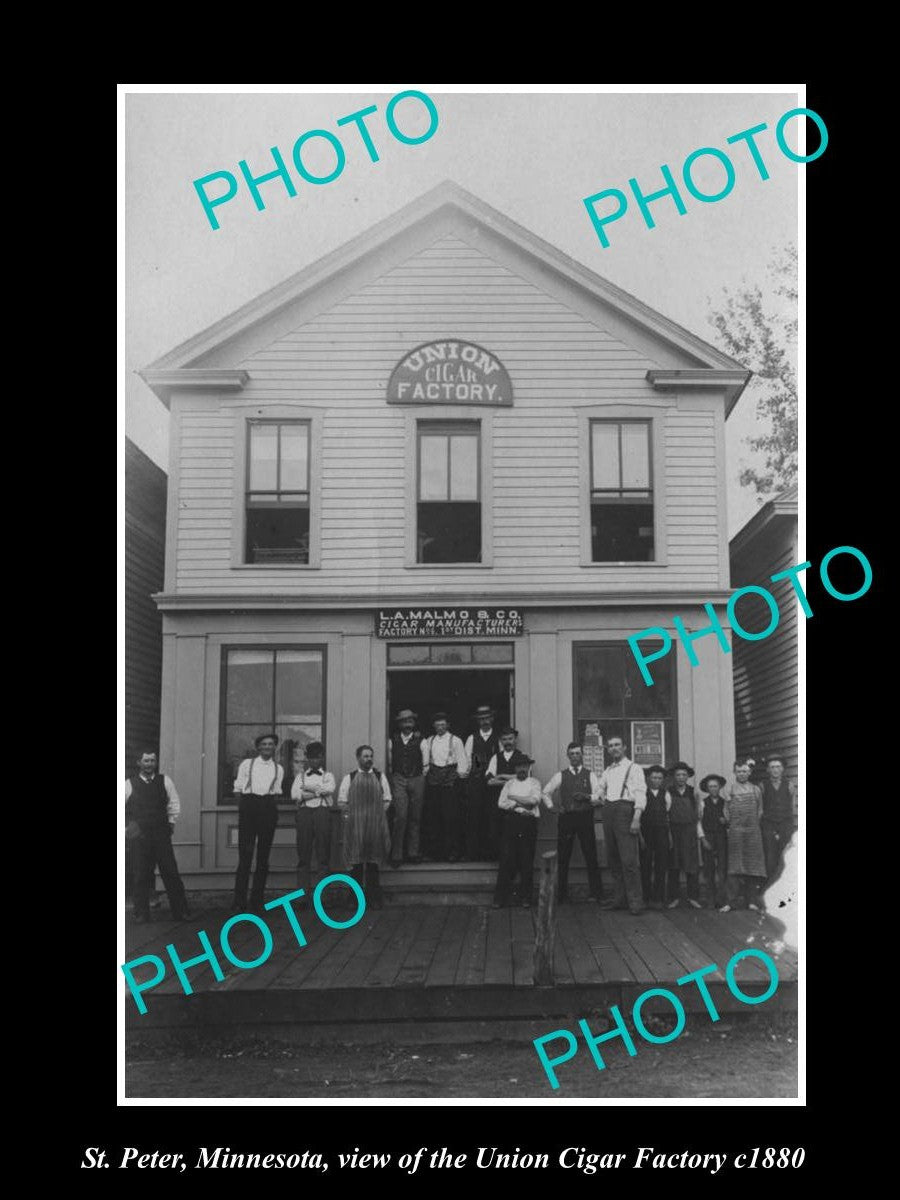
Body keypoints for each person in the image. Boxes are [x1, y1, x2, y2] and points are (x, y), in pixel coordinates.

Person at [124, 749, 190, 923]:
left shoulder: (165, 781)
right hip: (140, 836)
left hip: (161, 833)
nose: (149, 764)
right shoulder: (129, 784)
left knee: (170, 872)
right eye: (146, 761)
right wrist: (126, 829)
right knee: (141, 874)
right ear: (139, 763)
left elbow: (174, 803)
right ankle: (141, 913)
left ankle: (180, 911)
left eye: (152, 761)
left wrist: (170, 823)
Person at [541, 742, 603, 904]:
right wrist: (552, 808)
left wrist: (588, 797)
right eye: (572, 754)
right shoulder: (560, 775)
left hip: (585, 817)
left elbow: (600, 795)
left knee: (591, 855)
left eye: (577, 753)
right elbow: (545, 793)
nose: (575, 756)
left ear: (582, 755)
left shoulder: (590, 775)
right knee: (563, 856)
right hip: (567, 818)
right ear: (568, 756)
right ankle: (562, 895)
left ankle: (597, 893)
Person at [233, 733, 285, 911]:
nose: (267, 747)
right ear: (258, 747)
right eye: (264, 744)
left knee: (263, 857)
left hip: (268, 808)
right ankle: (239, 901)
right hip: (249, 807)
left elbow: (276, 794)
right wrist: (246, 809)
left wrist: (268, 809)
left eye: (271, 744)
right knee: (245, 856)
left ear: (275, 747)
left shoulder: (279, 768)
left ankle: (257, 900)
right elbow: (238, 789)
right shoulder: (247, 764)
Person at [337, 745, 393, 907]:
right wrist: (350, 817)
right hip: (356, 826)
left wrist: (378, 815)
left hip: (375, 825)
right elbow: (342, 801)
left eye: (370, 756)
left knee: (373, 861)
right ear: (358, 758)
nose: (369, 759)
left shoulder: (380, 776)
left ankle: (373, 897)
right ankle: (354, 899)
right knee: (356, 861)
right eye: (365, 756)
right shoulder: (350, 778)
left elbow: (387, 799)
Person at [598, 736, 646, 915]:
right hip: (609, 810)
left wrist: (636, 817)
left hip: (626, 811)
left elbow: (641, 793)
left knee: (629, 860)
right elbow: (599, 789)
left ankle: (636, 903)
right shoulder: (608, 770)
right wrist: (598, 795)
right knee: (613, 859)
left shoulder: (634, 768)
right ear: (608, 750)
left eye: (617, 745)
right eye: (610, 746)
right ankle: (619, 899)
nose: (614, 748)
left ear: (624, 747)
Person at [492, 756, 546, 908]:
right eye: (519, 766)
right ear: (515, 769)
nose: (522, 769)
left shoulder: (534, 783)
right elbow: (501, 803)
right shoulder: (509, 783)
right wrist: (519, 805)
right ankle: (500, 898)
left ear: (529, 767)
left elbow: (534, 801)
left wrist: (514, 798)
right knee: (506, 859)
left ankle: (526, 898)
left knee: (526, 860)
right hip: (512, 822)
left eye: (525, 766)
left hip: (528, 823)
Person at [291, 741, 336, 907]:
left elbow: (329, 789)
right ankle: (302, 896)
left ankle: (322, 896)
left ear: (322, 758)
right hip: (304, 814)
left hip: (323, 813)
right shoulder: (299, 776)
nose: (314, 761)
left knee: (323, 854)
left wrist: (308, 790)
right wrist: (317, 791)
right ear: (307, 759)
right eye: (311, 758)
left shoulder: (328, 776)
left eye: (318, 757)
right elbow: (295, 795)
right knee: (303, 855)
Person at [720, 758, 766, 913]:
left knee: (752, 866)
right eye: (739, 771)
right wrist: (731, 825)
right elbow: (726, 811)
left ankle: (751, 901)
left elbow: (760, 810)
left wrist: (752, 826)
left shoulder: (756, 789)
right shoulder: (729, 789)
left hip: (752, 832)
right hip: (736, 832)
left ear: (750, 772)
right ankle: (731, 902)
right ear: (734, 772)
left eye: (745, 771)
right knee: (734, 866)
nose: (742, 774)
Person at [421, 713, 469, 862]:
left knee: (451, 817)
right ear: (434, 726)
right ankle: (435, 853)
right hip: (434, 780)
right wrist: (427, 772)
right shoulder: (429, 740)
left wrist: (458, 777)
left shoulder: (456, 741)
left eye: (443, 725)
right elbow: (426, 760)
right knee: (434, 817)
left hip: (450, 781)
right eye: (437, 725)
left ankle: (452, 852)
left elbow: (462, 761)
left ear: (448, 725)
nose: (440, 727)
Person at [464, 704, 502, 861]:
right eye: (482, 719)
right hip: (476, 782)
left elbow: (501, 758)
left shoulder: (498, 738)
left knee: (492, 817)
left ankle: (491, 854)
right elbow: (467, 761)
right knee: (475, 817)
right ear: (478, 722)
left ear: (492, 719)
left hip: (493, 783)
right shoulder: (472, 738)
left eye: (487, 718)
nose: (485, 721)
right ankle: (474, 854)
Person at [387, 709, 425, 866]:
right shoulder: (392, 740)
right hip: (399, 779)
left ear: (414, 723)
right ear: (399, 724)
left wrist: (420, 777)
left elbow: (426, 762)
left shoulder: (422, 740)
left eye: (410, 721)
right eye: (404, 721)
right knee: (400, 816)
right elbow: (389, 763)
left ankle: (413, 852)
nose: (407, 724)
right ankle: (397, 854)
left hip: (417, 778)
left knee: (415, 817)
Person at [666, 761, 702, 909]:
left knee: (691, 865)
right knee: (674, 865)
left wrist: (698, 834)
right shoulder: (668, 792)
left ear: (688, 777)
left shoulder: (694, 793)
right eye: (678, 775)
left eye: (684, 775)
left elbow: (699, 816)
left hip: (689, 832)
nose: (681, 777)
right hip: (674, 831)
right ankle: (674, 898)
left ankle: (693, 897)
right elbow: (666, 813)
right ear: (674, 777)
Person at [760, 754, 797, 883]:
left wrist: (790, 827)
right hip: (769, 825)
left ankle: (785, 888)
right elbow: (760, 809)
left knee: (785, 856)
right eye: (772, 767)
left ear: (782, 769)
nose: (775, 770)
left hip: (785, 825)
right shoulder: (762, 786)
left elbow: (792, 808)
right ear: (768, 770)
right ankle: (770, 887)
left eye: (778, 766)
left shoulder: (789, 785)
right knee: (770, 858)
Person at [640, 765, 670, 909]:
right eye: (653, 777)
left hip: (662, 833)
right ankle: (646, 897)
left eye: (659, 778)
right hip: (646, 832)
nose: (656, 780)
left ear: (663, 780)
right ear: (648, 778)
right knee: (645, 864)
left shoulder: (666, 794)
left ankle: (658, 898)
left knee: (661, 864)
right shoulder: (642, 793)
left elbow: (668, 812)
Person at [699, 773, 728, 910]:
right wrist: (703, 839)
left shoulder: (726, 802)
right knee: (708, 869)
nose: (713, 789)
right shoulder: (702, 803)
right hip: (708, 837)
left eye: (715, 786)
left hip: (722, 837)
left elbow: (731, 821)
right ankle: (710, 899)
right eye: (710, 786)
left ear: (720, 787)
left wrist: (726, 821)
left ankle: (721, 899)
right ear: (707, 788)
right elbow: (698, 822)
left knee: (722, 869)